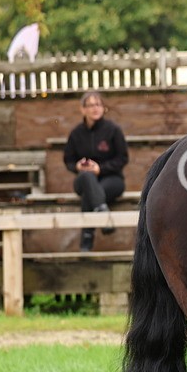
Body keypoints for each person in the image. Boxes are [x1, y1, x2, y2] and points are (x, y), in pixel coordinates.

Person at [63, 91, 129, 252]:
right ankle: (102, 213)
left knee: (90, 193)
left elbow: (122, 158)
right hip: (83, 179)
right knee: (87, 178)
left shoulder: (113, 130)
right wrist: (78, 166)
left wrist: (100, 168)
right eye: (91, 105)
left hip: (112, 179)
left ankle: (87, 238)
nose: (95, 108)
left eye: (98, 104)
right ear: (83, 109)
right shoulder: (76, 133)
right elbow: (68, 160)